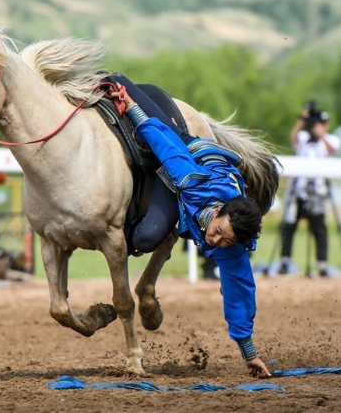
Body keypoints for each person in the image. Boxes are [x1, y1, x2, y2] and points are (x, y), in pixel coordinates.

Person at [117, 80, 275, 379]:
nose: (215, 241)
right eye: (218, 232)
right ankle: (122, 82)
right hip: (188, 153)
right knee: (145, 235)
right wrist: (131, 107)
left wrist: (249, 354)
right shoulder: (192, 181)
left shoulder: (232, 245)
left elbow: (239, 291)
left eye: (225, 241)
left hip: (209, 180)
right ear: (217, 211)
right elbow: (165, 145)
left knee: (146, 238)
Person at [279, 101, 340, 277]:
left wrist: (321, 135)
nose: (318, 127)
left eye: (321, 124)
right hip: (299, 191)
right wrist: (302, 119)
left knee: (319, 229)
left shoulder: (330, 140)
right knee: (288, 226)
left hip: (318, 192)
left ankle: (322, 264)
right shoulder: (304, 138)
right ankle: (285, 261)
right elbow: (293, 137)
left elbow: (332, 149)